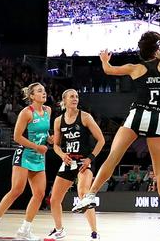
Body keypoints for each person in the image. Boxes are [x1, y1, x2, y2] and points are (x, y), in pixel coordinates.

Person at [73, 11, 160, 236]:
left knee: (113, 158)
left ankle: (90, 195)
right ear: (156, 50)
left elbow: (109, 70)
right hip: (157, 118)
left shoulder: (135, 68)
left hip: (137, 114)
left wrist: (104, 60)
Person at [0, 83, 53, 240]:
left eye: (44, 91)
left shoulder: (48, 111)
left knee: (40, 193)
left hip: (38, 156)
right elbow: (16, 137)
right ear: (31, 96)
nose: (43, 93)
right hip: (24, 154)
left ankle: (25, 229)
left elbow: (45, 131)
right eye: (39, 91)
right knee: (17, 190)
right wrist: (36, 146)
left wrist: (49, 138)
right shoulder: (26, 112)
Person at [48, 88, 106, 240]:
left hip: (84, 161)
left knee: (83, 193)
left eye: (77, 96)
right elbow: (56, 145)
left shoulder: (85, 117)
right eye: (72, 96)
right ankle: (59, 229)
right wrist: (62, 155)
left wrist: (90, 158)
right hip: (69, 161)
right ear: (64, 101)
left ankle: (94, 233)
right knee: (54, 199)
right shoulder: (58, 120)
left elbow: (101, 140)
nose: (75, 99)